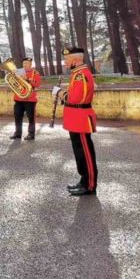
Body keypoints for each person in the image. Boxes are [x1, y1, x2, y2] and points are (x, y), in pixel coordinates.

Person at [55, 47, 98, 196]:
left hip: (81, 118)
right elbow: (73, 95)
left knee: (85, 153)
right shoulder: (76, 74)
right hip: (76, 118)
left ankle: (90, 185)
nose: (65, 63)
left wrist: (60, 93)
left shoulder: (81, 75)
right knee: (79, 152)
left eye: (67, 60)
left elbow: (75, 98)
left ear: (76, 60)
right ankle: (83, 180)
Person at [9, 57, 41, 140]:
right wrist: (13, 75)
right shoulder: (18, 72)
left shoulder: (35, 72)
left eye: (26, 63)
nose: (25, 65)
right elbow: (13, 83)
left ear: (31, 64)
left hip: (30, 99)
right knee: (17, 117)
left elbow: (37, 84)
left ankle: (31, 134)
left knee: (31, 118)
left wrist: (27, 79)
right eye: (23, 64)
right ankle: (17, 133)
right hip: (18, 98)